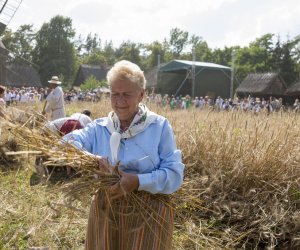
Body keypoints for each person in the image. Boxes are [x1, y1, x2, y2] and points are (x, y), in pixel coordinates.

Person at [63, 60, 184, 250]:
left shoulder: (158, 127)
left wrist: (137, 181)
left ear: (141, 95)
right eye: (115, 94)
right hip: (107, 207)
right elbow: (66, 143)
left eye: (126, 94)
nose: (119, 101)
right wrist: (88, 158)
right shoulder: (100, 127)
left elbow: (175, 175)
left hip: (148, 213)